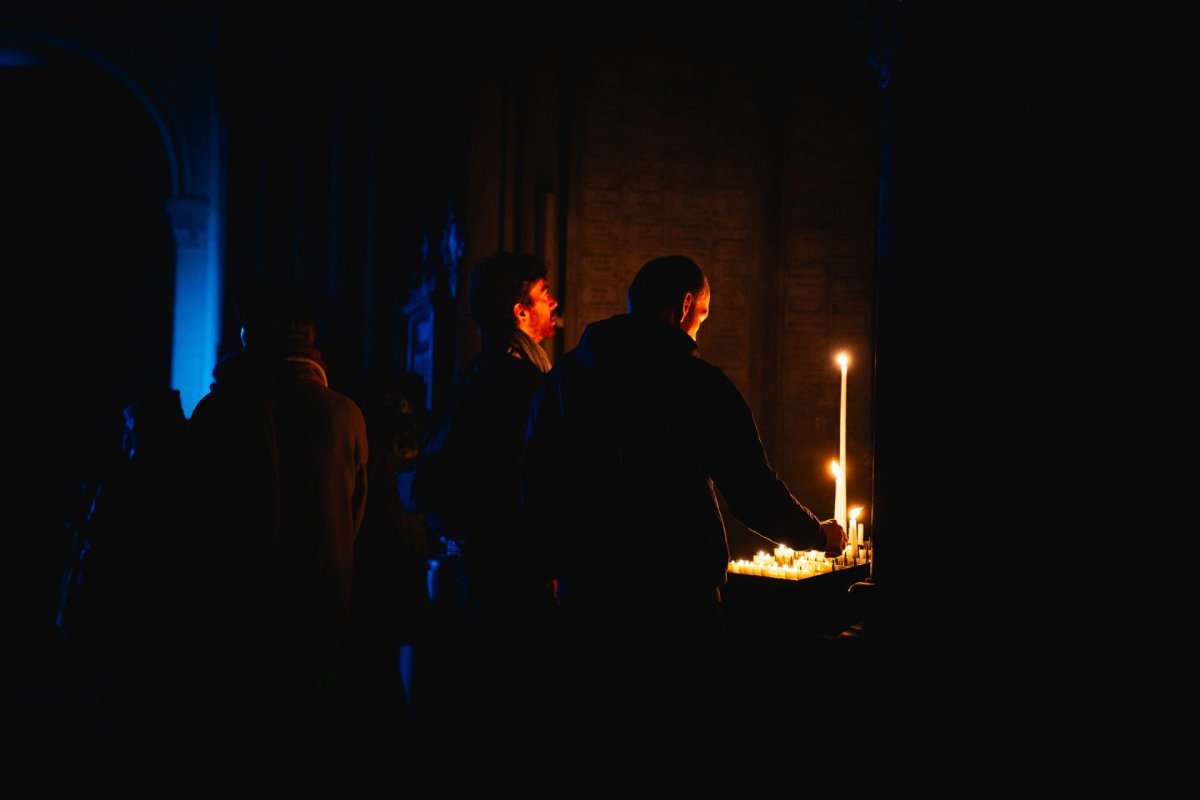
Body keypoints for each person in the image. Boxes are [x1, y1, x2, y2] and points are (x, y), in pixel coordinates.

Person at [522, 254, 846, 732]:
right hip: (674, 600)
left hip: (587, 594)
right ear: (686, 304)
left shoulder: (566, 381)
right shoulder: (695, 384)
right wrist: (817, 536)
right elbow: (753, 490)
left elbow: (535, 478)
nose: (700, 330)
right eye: (703, 316)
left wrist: (549, 563)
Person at [184, 279, 368, 752]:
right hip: (321, 618)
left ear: (254, 333)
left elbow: (194, 515)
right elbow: (355, 517)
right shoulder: (345, 415)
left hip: (238, 619)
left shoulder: (219, 411)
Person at [407, 251, 558, 736]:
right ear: (519, 311)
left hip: (480, 566)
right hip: (507, 572)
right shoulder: (517, 380)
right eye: (542, 295)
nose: (553, 304)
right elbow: (524, 478)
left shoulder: (479, 372)